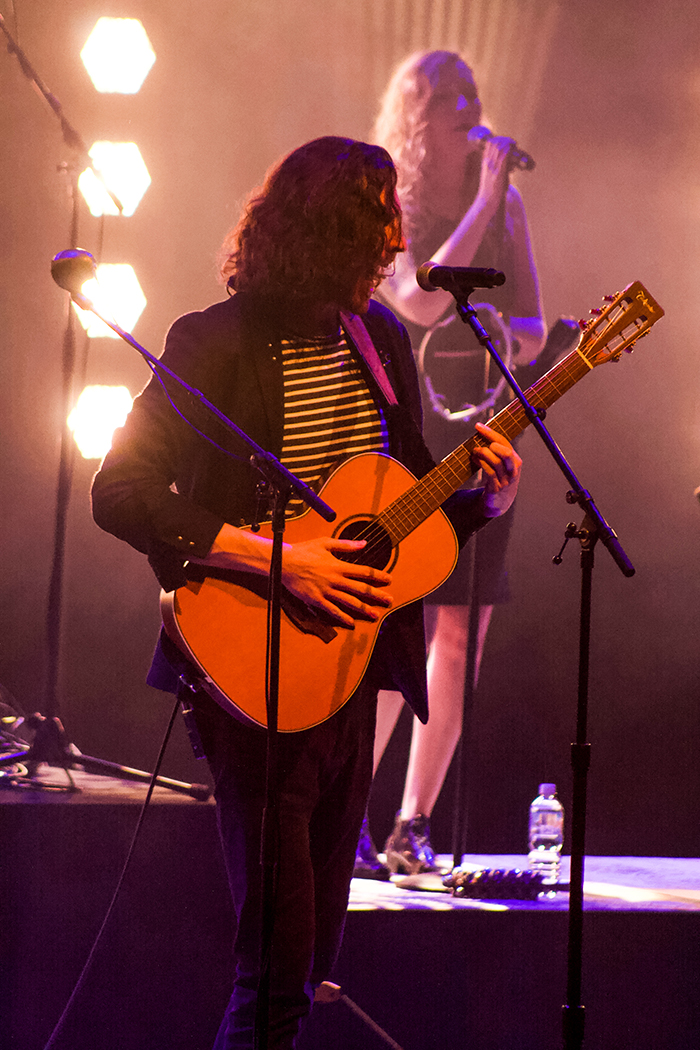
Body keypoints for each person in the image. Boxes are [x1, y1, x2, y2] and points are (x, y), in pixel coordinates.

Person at [90, 136, 522, 1049]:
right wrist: (278, 561)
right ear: (327, 229)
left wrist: (477, 501)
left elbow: (391, 521)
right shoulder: (214, 341)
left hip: (347, 679)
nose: (397, 239)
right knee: (275, 975)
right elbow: (119, 492)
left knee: (315, 962)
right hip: (251, 680)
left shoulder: (382, 341)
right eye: (381, 217)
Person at [354, 50, 545, 878]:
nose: (469, 114)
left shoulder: (509, 206)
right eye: (450, 100)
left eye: (474, 97)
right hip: (410, 429)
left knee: (461, 634)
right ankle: (346, 819)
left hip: (484, 430)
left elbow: (534, 327)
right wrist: (487, 197)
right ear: (417, 113)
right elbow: (418, 296)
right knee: (398, 627)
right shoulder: (392, 199)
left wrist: (507, 338)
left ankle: (412, 824)